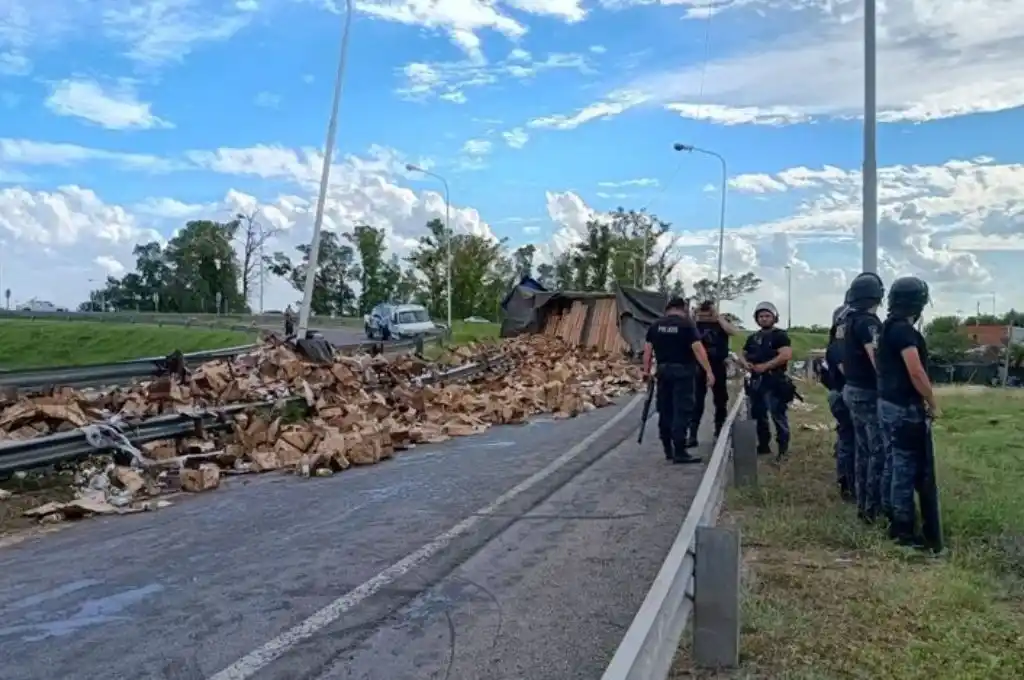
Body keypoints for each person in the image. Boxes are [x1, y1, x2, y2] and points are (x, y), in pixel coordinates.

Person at [876, 276, 942, 551]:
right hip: (904, 407)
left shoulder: (886, 327)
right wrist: (932, 401)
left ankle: (891, 516)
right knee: (905, 468)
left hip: (886, 403)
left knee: (892, 463)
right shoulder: (904, 332)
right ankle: (903, 531)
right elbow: (915, 370)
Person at [642, 297, 715, 464]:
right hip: (684, 373)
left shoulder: (656, 325)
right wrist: (709, 371)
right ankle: (680, 451)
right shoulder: (687, 325)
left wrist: (646, 371)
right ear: (683, 308)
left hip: (663, 372)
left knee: (665, 410)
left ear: (667, 308)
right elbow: (698, 349)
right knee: (682, 411)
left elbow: (647, 350)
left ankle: (668, 449)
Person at [840, 272, 886, 524]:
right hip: (868, 392)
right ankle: (872, 510)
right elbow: (876, 357)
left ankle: (862, 505)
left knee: (862, 450)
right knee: (876, 452)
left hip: (852, 389)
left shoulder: (848, 320)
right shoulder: (869, 323)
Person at [738, 301, 794, 460]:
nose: (764, 319)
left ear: (774, 317)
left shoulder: (780, 335)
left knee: (778, 416)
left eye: (767, 316)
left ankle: (783, 450)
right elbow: (742, 353)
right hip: (756, 383)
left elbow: (785, 355)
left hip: (774, 381)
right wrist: (745, 363)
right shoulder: (753, 338)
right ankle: (763, 446)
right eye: (761, 316)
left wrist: (766, 366)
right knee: (758, 416)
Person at [689, 300, 740, 446]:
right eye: (703, 313)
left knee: (720, 400)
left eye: (708, 313)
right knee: (697, 401)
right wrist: (694, 316)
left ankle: (719, 430)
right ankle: (692, 434)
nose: (705, 317)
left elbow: (733, 332)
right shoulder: (695, 325)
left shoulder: (720, 324)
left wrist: (718, 317)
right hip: (698, 366)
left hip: (718, 365)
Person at [823, 302, 855, 501]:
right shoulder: (839, 345)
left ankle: (847, 482)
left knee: (846, 439)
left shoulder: (837, 343)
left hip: (839, 393)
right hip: (843, 394)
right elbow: (848, 372)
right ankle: (847, 485)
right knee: (849, 441)